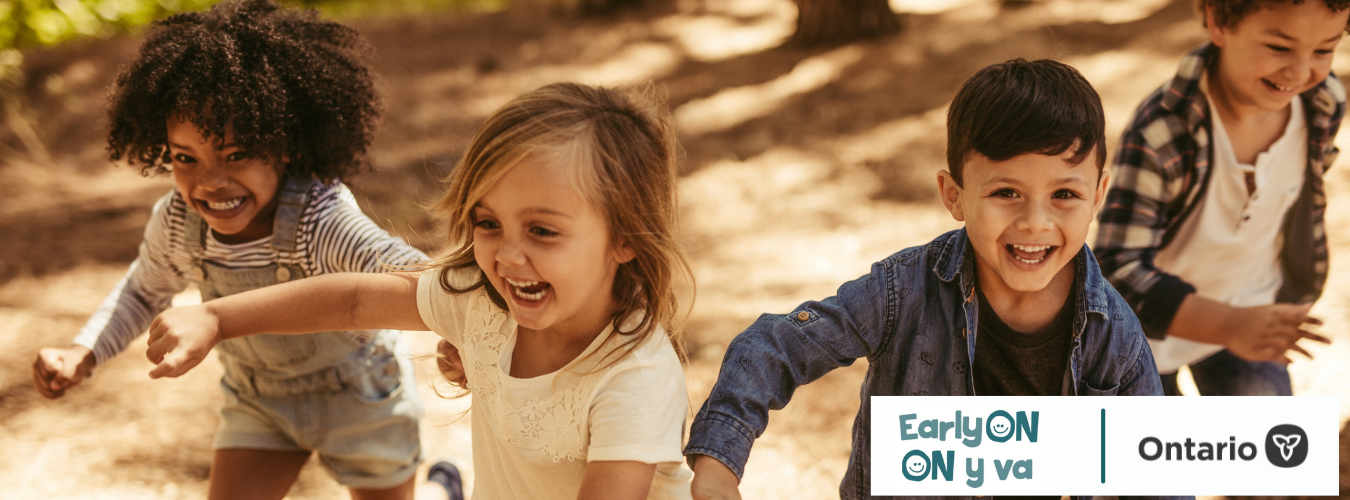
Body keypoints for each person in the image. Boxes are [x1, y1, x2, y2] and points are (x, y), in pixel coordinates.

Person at [142, 82, 696, 500]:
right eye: (487, 223)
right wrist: (217, 318)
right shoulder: (483, 302)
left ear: (625, 238)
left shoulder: (633, 377)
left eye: (543, 231)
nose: (507, 254)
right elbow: (356, 299)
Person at [681, 59, 1172, 500]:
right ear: (954, 195)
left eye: (1064, 193)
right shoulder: (902, 292)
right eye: (1006, 192)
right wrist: (719, 461)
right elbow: (777, 346)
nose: (1035, 222)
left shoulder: (1113, 331)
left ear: (1099, 193)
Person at [28, 1, 439, 498]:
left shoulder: (318, 217)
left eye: (236, 154)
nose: (211, 182)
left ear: (283, 144)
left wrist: (456, 327)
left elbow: (413, 277)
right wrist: (83, 353)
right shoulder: (179, 222)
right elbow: (143, 291)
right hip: (258, 403)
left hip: (360, 397)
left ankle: (443, 489)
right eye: (186, 158)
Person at [1094, 0, 1345, 396]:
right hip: (1146, 336)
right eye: (1279, 47)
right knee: (1151, 452)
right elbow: (1117, 270)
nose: (1300, 71)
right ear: (1217, 21)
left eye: (1323, 50)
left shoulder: (1323, 103)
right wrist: (1226, 323)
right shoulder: (1163, 132)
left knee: (1262, 450)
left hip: (1252, 310)